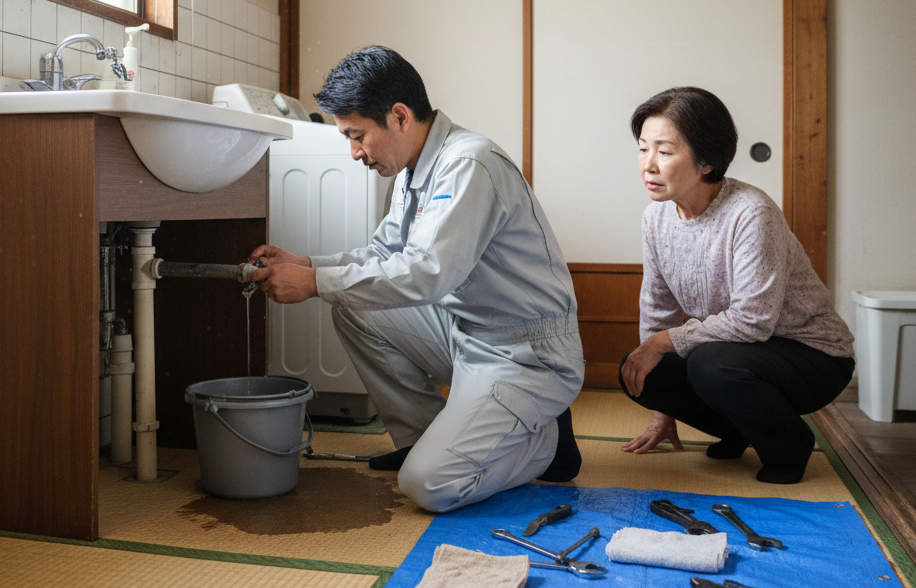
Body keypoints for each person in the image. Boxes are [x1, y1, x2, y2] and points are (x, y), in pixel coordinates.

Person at [249, 46, 584, 513]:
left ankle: (545, 440)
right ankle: (428, 438)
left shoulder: (468, 164)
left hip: (526, 353)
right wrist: (307, 264)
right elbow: (382, 256)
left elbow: (426, 275)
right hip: (466, 333)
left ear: (400, 116)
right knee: (353, 307)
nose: (353, 153)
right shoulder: (412, 170)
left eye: (357, 135)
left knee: (428, 485)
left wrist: (314, 284)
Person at [619, 86, 855, 484]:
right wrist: (664, 411)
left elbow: (753, 322)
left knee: (711, 364)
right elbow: (657, 307)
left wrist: (660, 343)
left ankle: (789, 446)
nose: (649, 165)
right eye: (643, 148)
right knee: (640, 371)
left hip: (813, 356)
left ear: (707, 161)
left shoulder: (751, 213)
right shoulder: (655, 219)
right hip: (740, 352)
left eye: (664, 151)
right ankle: (739, 430)